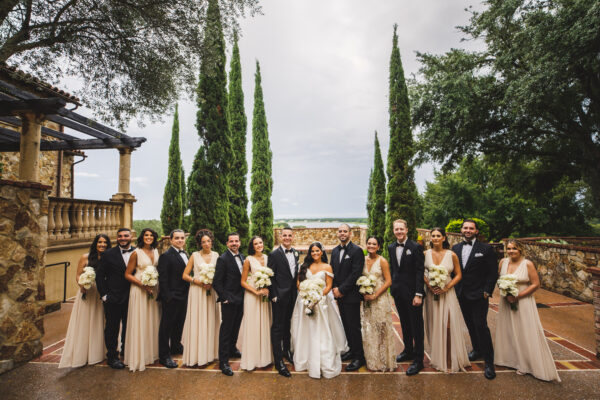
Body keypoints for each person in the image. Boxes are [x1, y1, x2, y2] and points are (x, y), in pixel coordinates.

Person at [495, 240, 561, 382]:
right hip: (506, 301)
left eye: (514, 248)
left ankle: (526, 364)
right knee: (508, 329)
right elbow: (500, 280)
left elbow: (536, 284)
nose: (511, 251)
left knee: (524, 330)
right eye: (509, 248)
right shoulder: (503, 262)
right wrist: (505, 291)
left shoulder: (527, 264)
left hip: (523, 301)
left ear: (520, 250)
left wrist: (517, 296)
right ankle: (510, 359)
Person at [291, 242, 347, 379]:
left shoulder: (327, 267)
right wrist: (306, 295)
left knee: (321, 328)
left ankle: (324, 357)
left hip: (321, 302)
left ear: (322, 252)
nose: (315, 253)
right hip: (304, 301)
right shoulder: (304, 266)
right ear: (310, 253)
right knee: (305, 327)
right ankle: (304, 356)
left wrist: (317, 297)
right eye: (312, 251)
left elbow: (328, 285)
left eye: (317, 251)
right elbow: (298, 283)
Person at [452, 219, 498, 380]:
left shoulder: (486, 249)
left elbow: (493, 272)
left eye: (471, 228)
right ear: (461, 230)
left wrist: (487, 291)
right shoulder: (455, 248)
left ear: (476, 231)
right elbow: (453, 271)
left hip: (479, 294)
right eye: (465, 228)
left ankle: (489, 362)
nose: (468, 230)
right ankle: (476, 350)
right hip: (462, 294)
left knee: (481, 325)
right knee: (470, 324)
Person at [59, 234, 111, 368]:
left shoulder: (109, 257)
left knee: (100, 320)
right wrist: (82, 285)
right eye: (100, 242)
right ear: (95, 243)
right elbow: (78, 275)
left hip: (102, 293)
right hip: (88, 292)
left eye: (105, 242)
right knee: (86, 321)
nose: (102, 245)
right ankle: (84, 352)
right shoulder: (85, 257)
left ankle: (100, 351)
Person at [423, 227, 471, 372]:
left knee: (448, 325)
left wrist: (446, 287)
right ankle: (438, 357)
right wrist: (429, 285)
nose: (435, 238)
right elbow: (421, 273)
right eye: (433, 236)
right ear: (430, 238)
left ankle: (450, 360)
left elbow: (458, 275)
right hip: (431, 294)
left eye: (438, 235)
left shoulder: (452, 255)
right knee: (435, 324)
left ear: (444, 238)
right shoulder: (425, 254)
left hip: (447, 294)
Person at [388, 219, 425, 376]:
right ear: (393, 231)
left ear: (407, 230)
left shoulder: (415, 247)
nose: (399, 231)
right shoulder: (391, 247)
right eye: (396, 229)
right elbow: (393, 269)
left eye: (401, 229)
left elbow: (419, 271)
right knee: (404, 323)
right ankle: (408, 351)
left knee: (417, 326)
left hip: (413, 294)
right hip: (398, 293)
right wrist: (393, 288)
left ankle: (418, 360)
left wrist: (418, 294)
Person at [96, 227, 134, 369]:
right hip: (113, 297)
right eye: (120, 236)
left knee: (128, 326)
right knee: (112, 328)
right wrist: (104, 296)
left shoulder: (137, 252)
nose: (122, 238)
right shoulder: (108, 254)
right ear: (117, 238)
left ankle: (125, 350)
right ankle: (112, 356)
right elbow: (100, 276)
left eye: (125, 235)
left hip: (132, 297)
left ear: (131, 237)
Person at [181, 229, 221, 367]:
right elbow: (185, 275)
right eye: (203, 242)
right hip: (197, 291)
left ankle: (210, 354)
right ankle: (196, 355)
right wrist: (197, 281)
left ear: (212, 242)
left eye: (208, 241)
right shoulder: (194, 255)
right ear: (200, 243)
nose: (206, 244)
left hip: (211, 292)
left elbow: (219, 274)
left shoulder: (216, 255)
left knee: (210, 320)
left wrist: (212, 283)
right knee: (198, 321)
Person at [123, 228, 160, 372]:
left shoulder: (156, 251)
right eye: (146, 235)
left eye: (151, 235)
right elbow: (127, 274)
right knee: (140, 320)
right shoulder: (136, 253)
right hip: (139, 289)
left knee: (151, 320)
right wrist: (142, 285)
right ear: (142, 237)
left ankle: (150, 353)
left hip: (153, 289)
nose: (149, 237)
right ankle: (138, 355)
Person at [330, 223, 365, 371]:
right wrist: (334, 289)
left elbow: (355, 273)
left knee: (354, 326)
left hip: (351, 295)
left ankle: (359, 357)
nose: (342, 233)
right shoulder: (334, 251)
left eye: (345, 231)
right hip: (339, 295)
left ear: (350, 234)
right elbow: (332, 271)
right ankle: (351, 349)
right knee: (345, 324)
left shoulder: (357, 251)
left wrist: (342, 289)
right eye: (340, 231)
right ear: (337, 233)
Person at [360, 236, 397, 372]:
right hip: (367, 299)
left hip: (380, 299)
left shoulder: (382, 261)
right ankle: (372, 358)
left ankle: (383, 359)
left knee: (381, 327)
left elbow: (388, 281)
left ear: (378, 247)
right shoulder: (363, 260)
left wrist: (375, 295)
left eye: (374, 244)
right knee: (369, 327)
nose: (371, 246)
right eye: (369, 243)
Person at [268, 227, 299, 377]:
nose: (287, 238)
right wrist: (273, 294)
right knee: (278, 327)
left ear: (293, 237)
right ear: (280, 237)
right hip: (279, 296)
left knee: (288, 325)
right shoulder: (274, 254)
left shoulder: (296, 252)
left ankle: (287, 351)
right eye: (284, 235)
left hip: (292, 296)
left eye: (289, 235)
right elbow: (270, 275)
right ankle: (278, 360)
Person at [213, 232, 245, 376]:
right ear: (227, 243)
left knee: (236, 327)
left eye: (236, 241)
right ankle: (224, 362)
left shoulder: (243, 257)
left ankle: (232, 349)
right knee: (226, 330)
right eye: (231, 241)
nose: (234, 243)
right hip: (229, 299)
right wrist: (224, 297)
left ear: (240, 243)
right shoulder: (223, 258)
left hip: (241, 298)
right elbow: (217, 282)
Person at [157, 229, 190, 368]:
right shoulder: (166, 256)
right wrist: (168, 297)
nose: (180, 240)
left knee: (179, 323)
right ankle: (164, 355)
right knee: (166, 327)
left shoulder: (185, 253)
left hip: (184, 295)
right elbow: (163, 278)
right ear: (171, 240)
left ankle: (176, 346)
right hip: (172, 296)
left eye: (182, 238)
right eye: (177, 238)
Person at [240, 236, 273, 370]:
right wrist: (256, 292)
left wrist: (267, 289)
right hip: (252, 296)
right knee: (253, 325)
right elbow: (243, 282)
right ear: (252, 246)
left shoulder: (268, 258)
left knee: (265, 324)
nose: (259, 245)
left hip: (265, 295)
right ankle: (252, 359)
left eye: (260, 242)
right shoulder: (248, 260)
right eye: (256, 244)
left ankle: (265, 358)